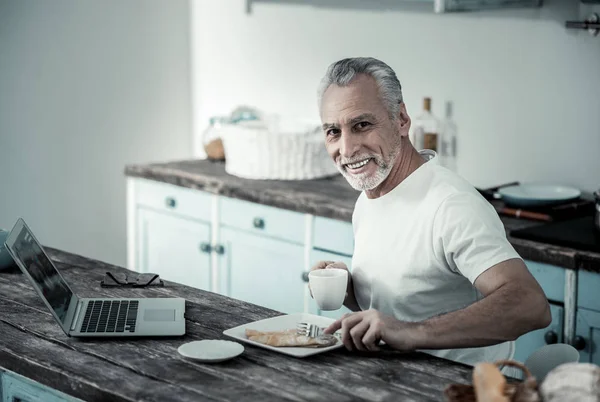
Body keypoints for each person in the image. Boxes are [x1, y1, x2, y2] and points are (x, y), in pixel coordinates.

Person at [312, 57, 551, 367]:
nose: (346, 149)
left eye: (362, 125)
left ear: (401, 120)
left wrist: (411, 332)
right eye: (333, 131)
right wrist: (350, 291)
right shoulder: (370, 196)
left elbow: (531, 305)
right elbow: (400, 312)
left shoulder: (451, 205)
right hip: (394, 378)